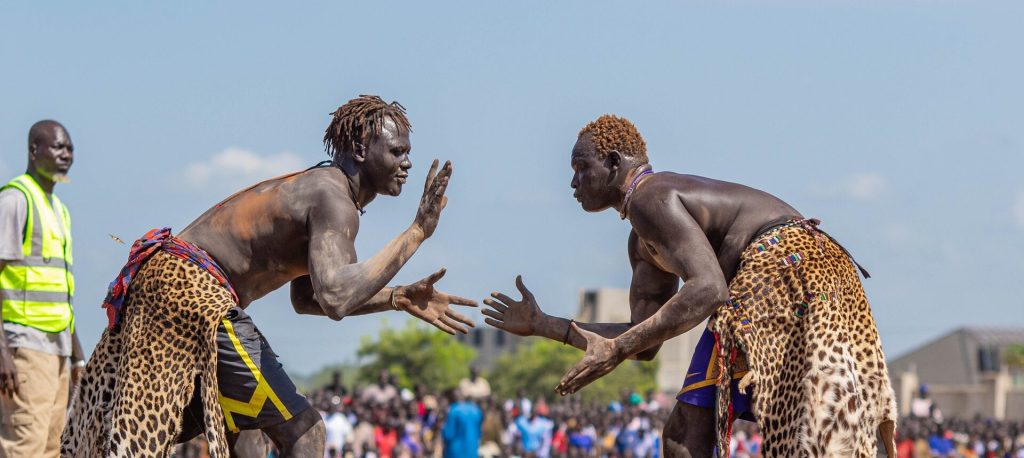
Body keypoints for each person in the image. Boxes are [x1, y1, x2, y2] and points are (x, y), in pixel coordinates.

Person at [62, 96, 477, 457]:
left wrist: (397, 296)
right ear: (360, 149)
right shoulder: (332, 198)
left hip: (171, 288)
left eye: (407, 153)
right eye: (397, 151)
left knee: (247, 435)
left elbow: (309, 298)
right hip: (192, 291)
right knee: (307, 433)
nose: (407, 163)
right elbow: (336, 297)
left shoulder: (325, 193)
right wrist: (415, 233)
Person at [484, 114, 897, 456]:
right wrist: (546, 325)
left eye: (581, 169)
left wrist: (617, 349)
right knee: (787, 426)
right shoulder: (643, 240)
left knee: (703, 434)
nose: (573, 183)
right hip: (818, 277)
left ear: (612, 163)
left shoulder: (649, 198)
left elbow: (709, 290)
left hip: (781, 272)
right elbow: (644, 342)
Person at [0, 120, 85, 457]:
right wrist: (2, 352)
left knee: (52, 447)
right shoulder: (15, 200)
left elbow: (60, 295)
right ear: (34, 151)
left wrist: (77, 358)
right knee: (26, 446)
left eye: (70, 148)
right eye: (58, 146)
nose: (67, 154)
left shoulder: (58, 209)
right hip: (23, 346)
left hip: (57, 350)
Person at [441, 389, 482, 458]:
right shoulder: (476, 410)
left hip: (455, 453)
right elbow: (479, 433)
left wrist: (442, 427)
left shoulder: (453, 411)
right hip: (472, 452)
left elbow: (448, 435)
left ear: (450, 398)